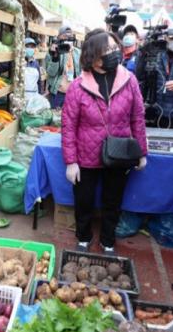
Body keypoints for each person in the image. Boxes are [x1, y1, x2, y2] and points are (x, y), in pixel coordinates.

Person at [62, 29, 147, 256]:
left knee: (113, 201)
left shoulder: (129, 81)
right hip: (86, 155)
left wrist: (142, 151)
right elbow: (68, 126)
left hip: (119, 153)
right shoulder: (77, 87)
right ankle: (83, 237)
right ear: (93, 55)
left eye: (114, 48)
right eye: (107, 50)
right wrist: (71, 161)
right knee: (84, 202)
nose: (113, 53)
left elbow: (137, 117)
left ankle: (108, 240)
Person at [45, 25, 81, 109]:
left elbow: (81, 73)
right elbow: (51, 73)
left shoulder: (78, 53)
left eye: (70, 36)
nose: (67, 38)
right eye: (65, 36)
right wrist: (55, 57)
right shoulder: (53, 51)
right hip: (57, 93)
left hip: (73, 93)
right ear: (59, 37)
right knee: (56, 119)